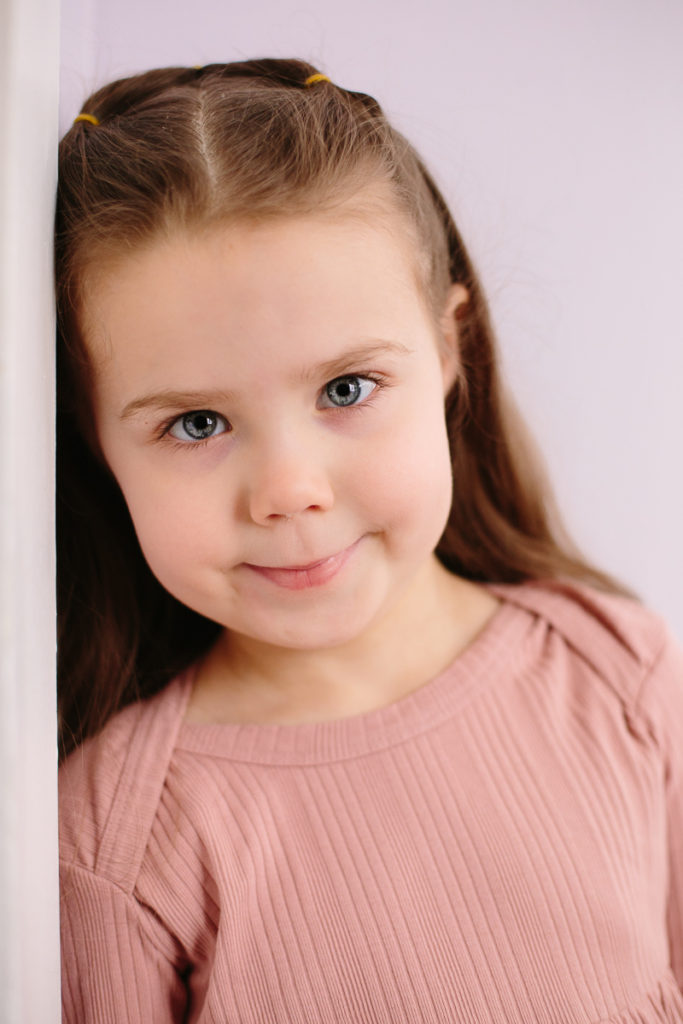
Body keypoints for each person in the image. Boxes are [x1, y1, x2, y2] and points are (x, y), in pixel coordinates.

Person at [56, 58, 683, 1023]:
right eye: (194, 423)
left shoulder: (622, 679)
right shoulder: (112, 845)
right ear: (96, 443)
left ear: (446, 351)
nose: (289, 492)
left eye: (345, 389)